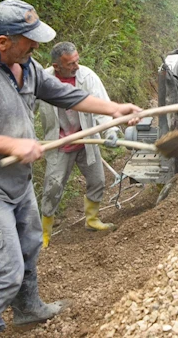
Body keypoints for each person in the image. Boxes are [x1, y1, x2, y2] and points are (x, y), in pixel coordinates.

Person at [0, 0, 142, 338]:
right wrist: (11, 144)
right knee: (5, 271)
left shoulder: (26, 67)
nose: (36, 46)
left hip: (18, 181)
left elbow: (65, 95)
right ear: (3, 41)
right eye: (29, 40)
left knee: (29, 243)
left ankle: (27, 308)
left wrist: (114, 108)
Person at [37, 42, 122, 248]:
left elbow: (103, 105)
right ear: (57, 66)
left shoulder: (87, 77)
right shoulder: (42, 80)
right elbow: (25, 107)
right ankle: (43, 233)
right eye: (70, 63)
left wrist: (110, 131)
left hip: (86, 139)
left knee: (97, 180)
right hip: (59, 142)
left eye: (77, 60)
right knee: (53, 186)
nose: (76, 66)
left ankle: (92, 220)